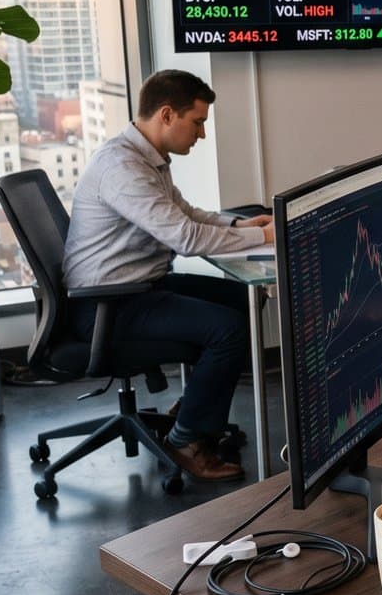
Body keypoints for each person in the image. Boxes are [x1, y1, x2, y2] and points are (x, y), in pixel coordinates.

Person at [62, 69, 271, 482]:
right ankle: (187, 439)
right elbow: (185, 237)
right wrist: (263, 236)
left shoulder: (145, 158)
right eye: (198, 122)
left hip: (137, 287)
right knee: (228, 328)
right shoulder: (123, 168)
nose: (202, 134)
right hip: (109, 303)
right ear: (167, 114)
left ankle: (195, 412)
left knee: (243, 303)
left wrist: (242, 227)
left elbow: (186, 215)